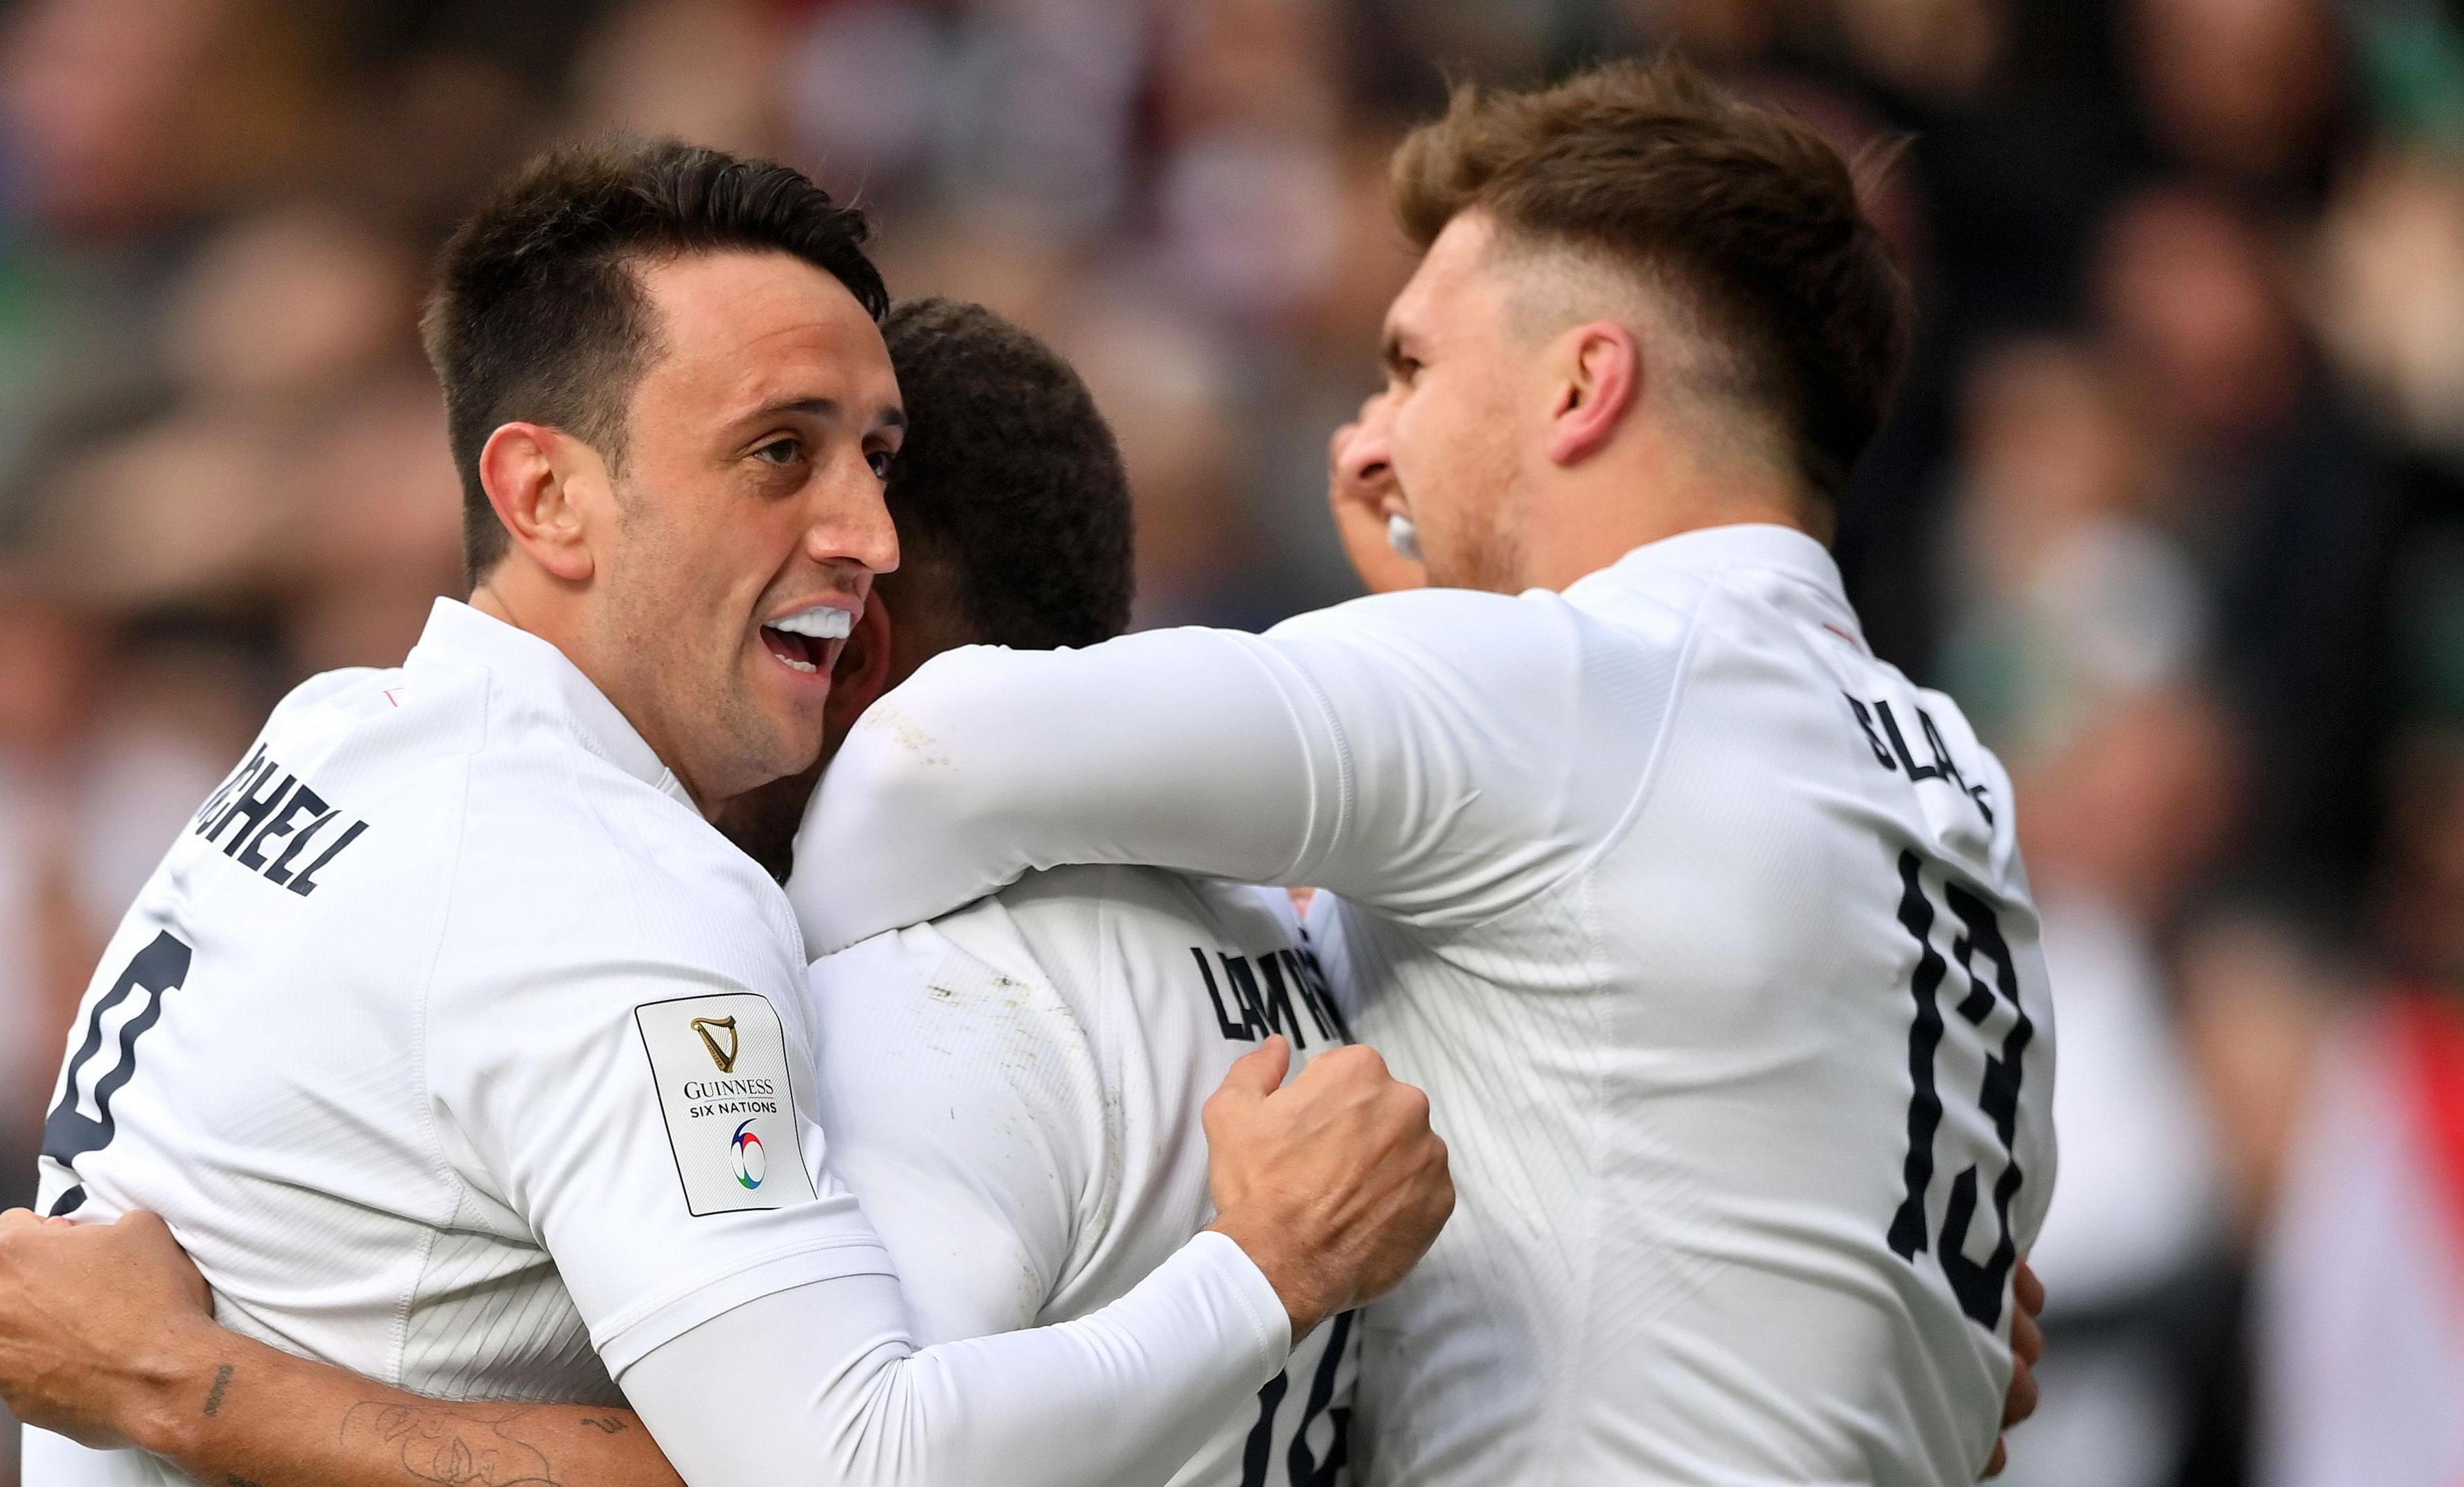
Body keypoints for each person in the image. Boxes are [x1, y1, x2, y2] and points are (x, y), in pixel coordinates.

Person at [0, 143, 1453, 1487]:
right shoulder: (619, 902)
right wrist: (1264, 1269)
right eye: (777, 453)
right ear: (547, 495)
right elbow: (848, 1470)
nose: (868, 537)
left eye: (874, 457)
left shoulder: (333, 729)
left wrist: (190, 1385)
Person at [781, 57, 2058, 1485]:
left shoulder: (1571, 697)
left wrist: (743, 992)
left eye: (1410, 369)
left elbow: (932, 755)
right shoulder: (1954, 782)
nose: (1363, 442)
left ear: (1584, 384)